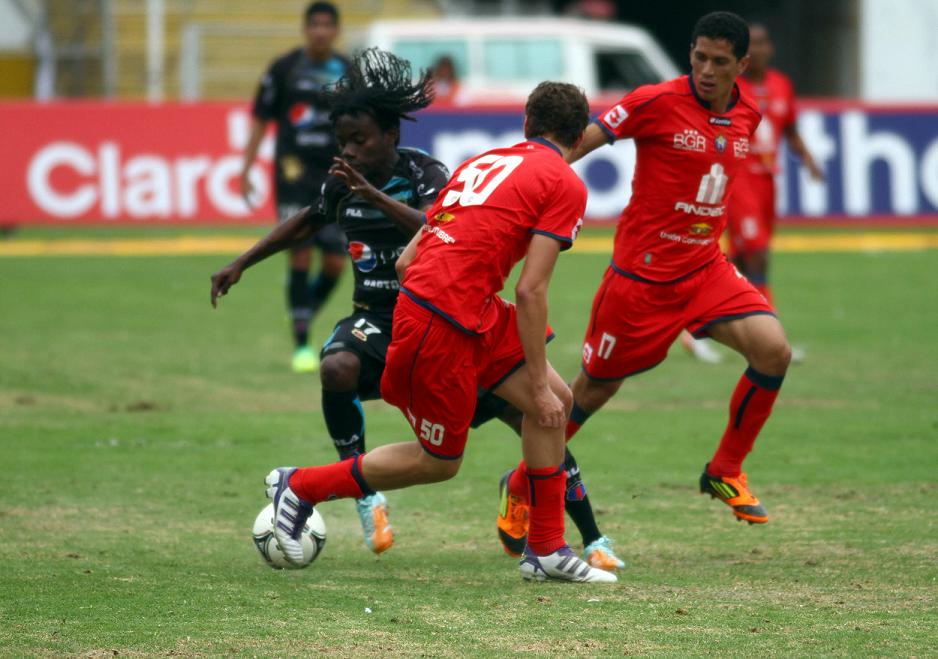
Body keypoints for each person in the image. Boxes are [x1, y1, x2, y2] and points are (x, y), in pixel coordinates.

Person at [226, 79, 617, 583]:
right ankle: (299, 484)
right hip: (446, 318)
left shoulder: (484, 161)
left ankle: (546, 550)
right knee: (441, 461)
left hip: (455, 305)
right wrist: (530, 382)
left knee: (553, 409)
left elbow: (412, 258)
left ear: (525, 125)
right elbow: (530, 292)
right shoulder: (565, 183)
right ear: (580, 137)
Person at [501, 11, 790, 528]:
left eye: (719, 62)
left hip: (706, 268)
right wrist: (521, 184)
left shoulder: (750, 113)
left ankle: (725, 469)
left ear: (741, 65)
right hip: (641, 280)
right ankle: (522, 482)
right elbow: (574, 146)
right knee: (593, 390)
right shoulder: (655, 101)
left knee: (773, 351)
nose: (705, 69)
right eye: (699, 57)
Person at [217, 49, 451, 554]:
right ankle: (364, 492)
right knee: (336, 367)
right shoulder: (341, 182)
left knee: (521, 409)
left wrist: (372, 192)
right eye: (342, 141)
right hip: (374, 316)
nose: (349, 151)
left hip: (436, 319)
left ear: (390, 135)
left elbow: (439, 231)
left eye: (359, 141)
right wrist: (242, 261)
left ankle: (537, 504)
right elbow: (305, 220)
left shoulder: (423, 174)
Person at [239, 2, 350, 373]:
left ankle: (301, 313)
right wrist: (246, 167)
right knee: (300, 254)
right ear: (305, 29)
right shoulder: (284, 68)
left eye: (326, 25)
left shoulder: (348, 71)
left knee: (336, 262)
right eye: (314, 24)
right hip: (293, 174)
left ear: (336, 30)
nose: (320, 31)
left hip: (336, 174)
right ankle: (301, 343)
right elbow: (260, 120)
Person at [728, 21, 824, 307]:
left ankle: (704, 324)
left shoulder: (781, 84)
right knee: (757, 253)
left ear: (770, 47)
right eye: (750, 44)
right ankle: (768, 327)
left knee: (745, 257)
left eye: (761, 43)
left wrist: (808, 160)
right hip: (739, 180)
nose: (756, 50)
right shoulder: (730, 88)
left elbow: (790, 129)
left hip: (768, 180)